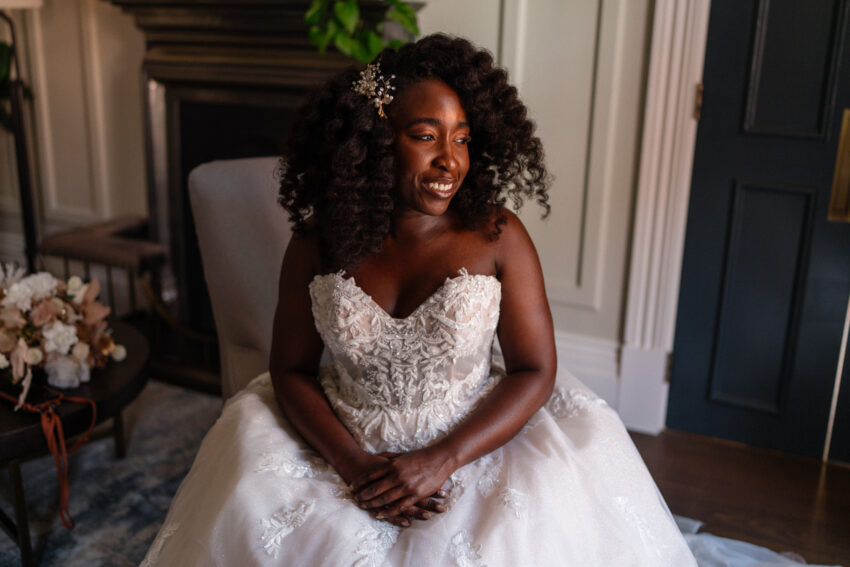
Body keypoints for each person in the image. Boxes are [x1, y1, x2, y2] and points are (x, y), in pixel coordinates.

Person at [141, 34, 697, 566]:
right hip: (347, 444)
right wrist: (356, 467)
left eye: (462, 137)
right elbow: (289, 370)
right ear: (377, 139)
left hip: (472, 442)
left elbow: (535, 370)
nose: (450, 161)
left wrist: (441, 460)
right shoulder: (317, 241)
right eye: (427, 136)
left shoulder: (498, 237)